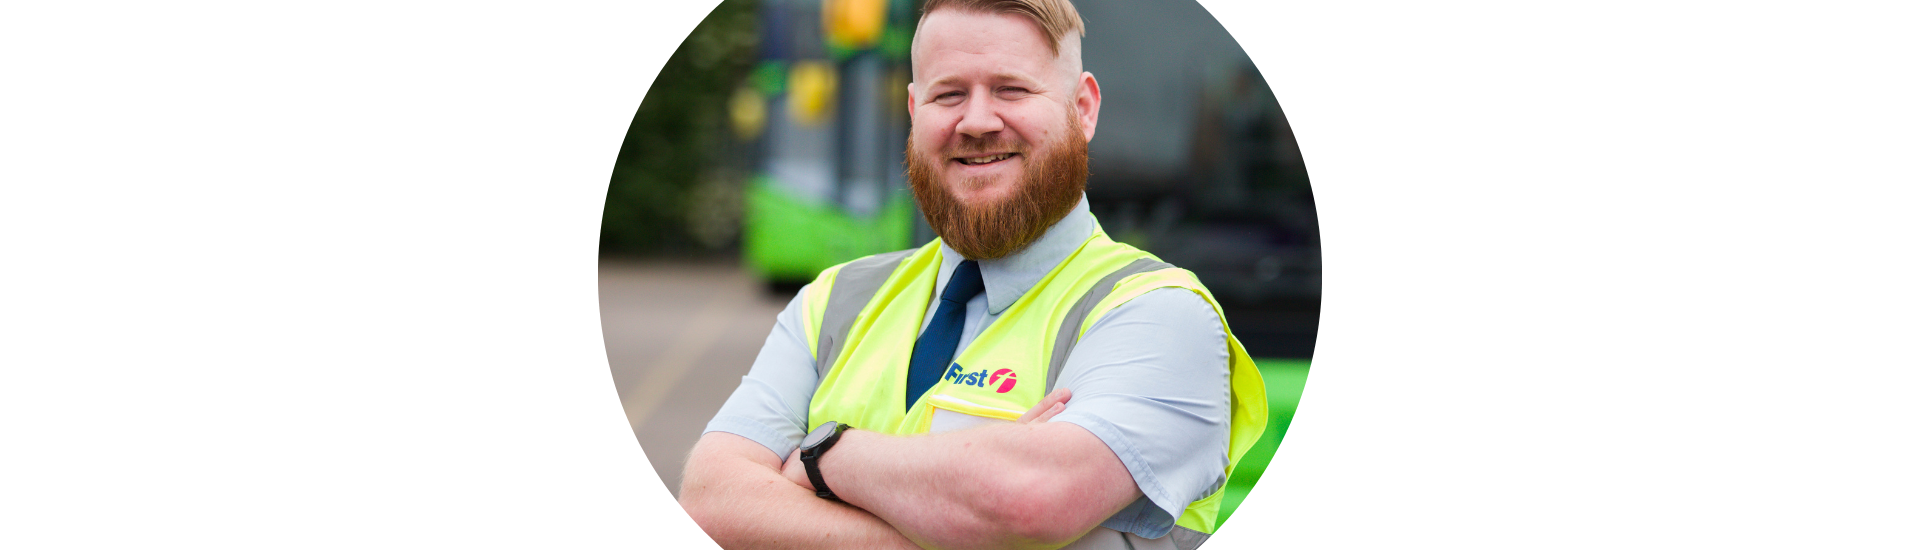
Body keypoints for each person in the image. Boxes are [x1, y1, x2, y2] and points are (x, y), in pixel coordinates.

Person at [678, 1, 1266, 548]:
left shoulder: (1162, 313)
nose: (977, 121)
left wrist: (822, 456)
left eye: (1011, 89)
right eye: (949, 95)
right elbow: (711, 498)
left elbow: (1028, 498)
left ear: (1082, 109)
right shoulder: (832, 299)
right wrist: (955, 522)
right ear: (914, 112)